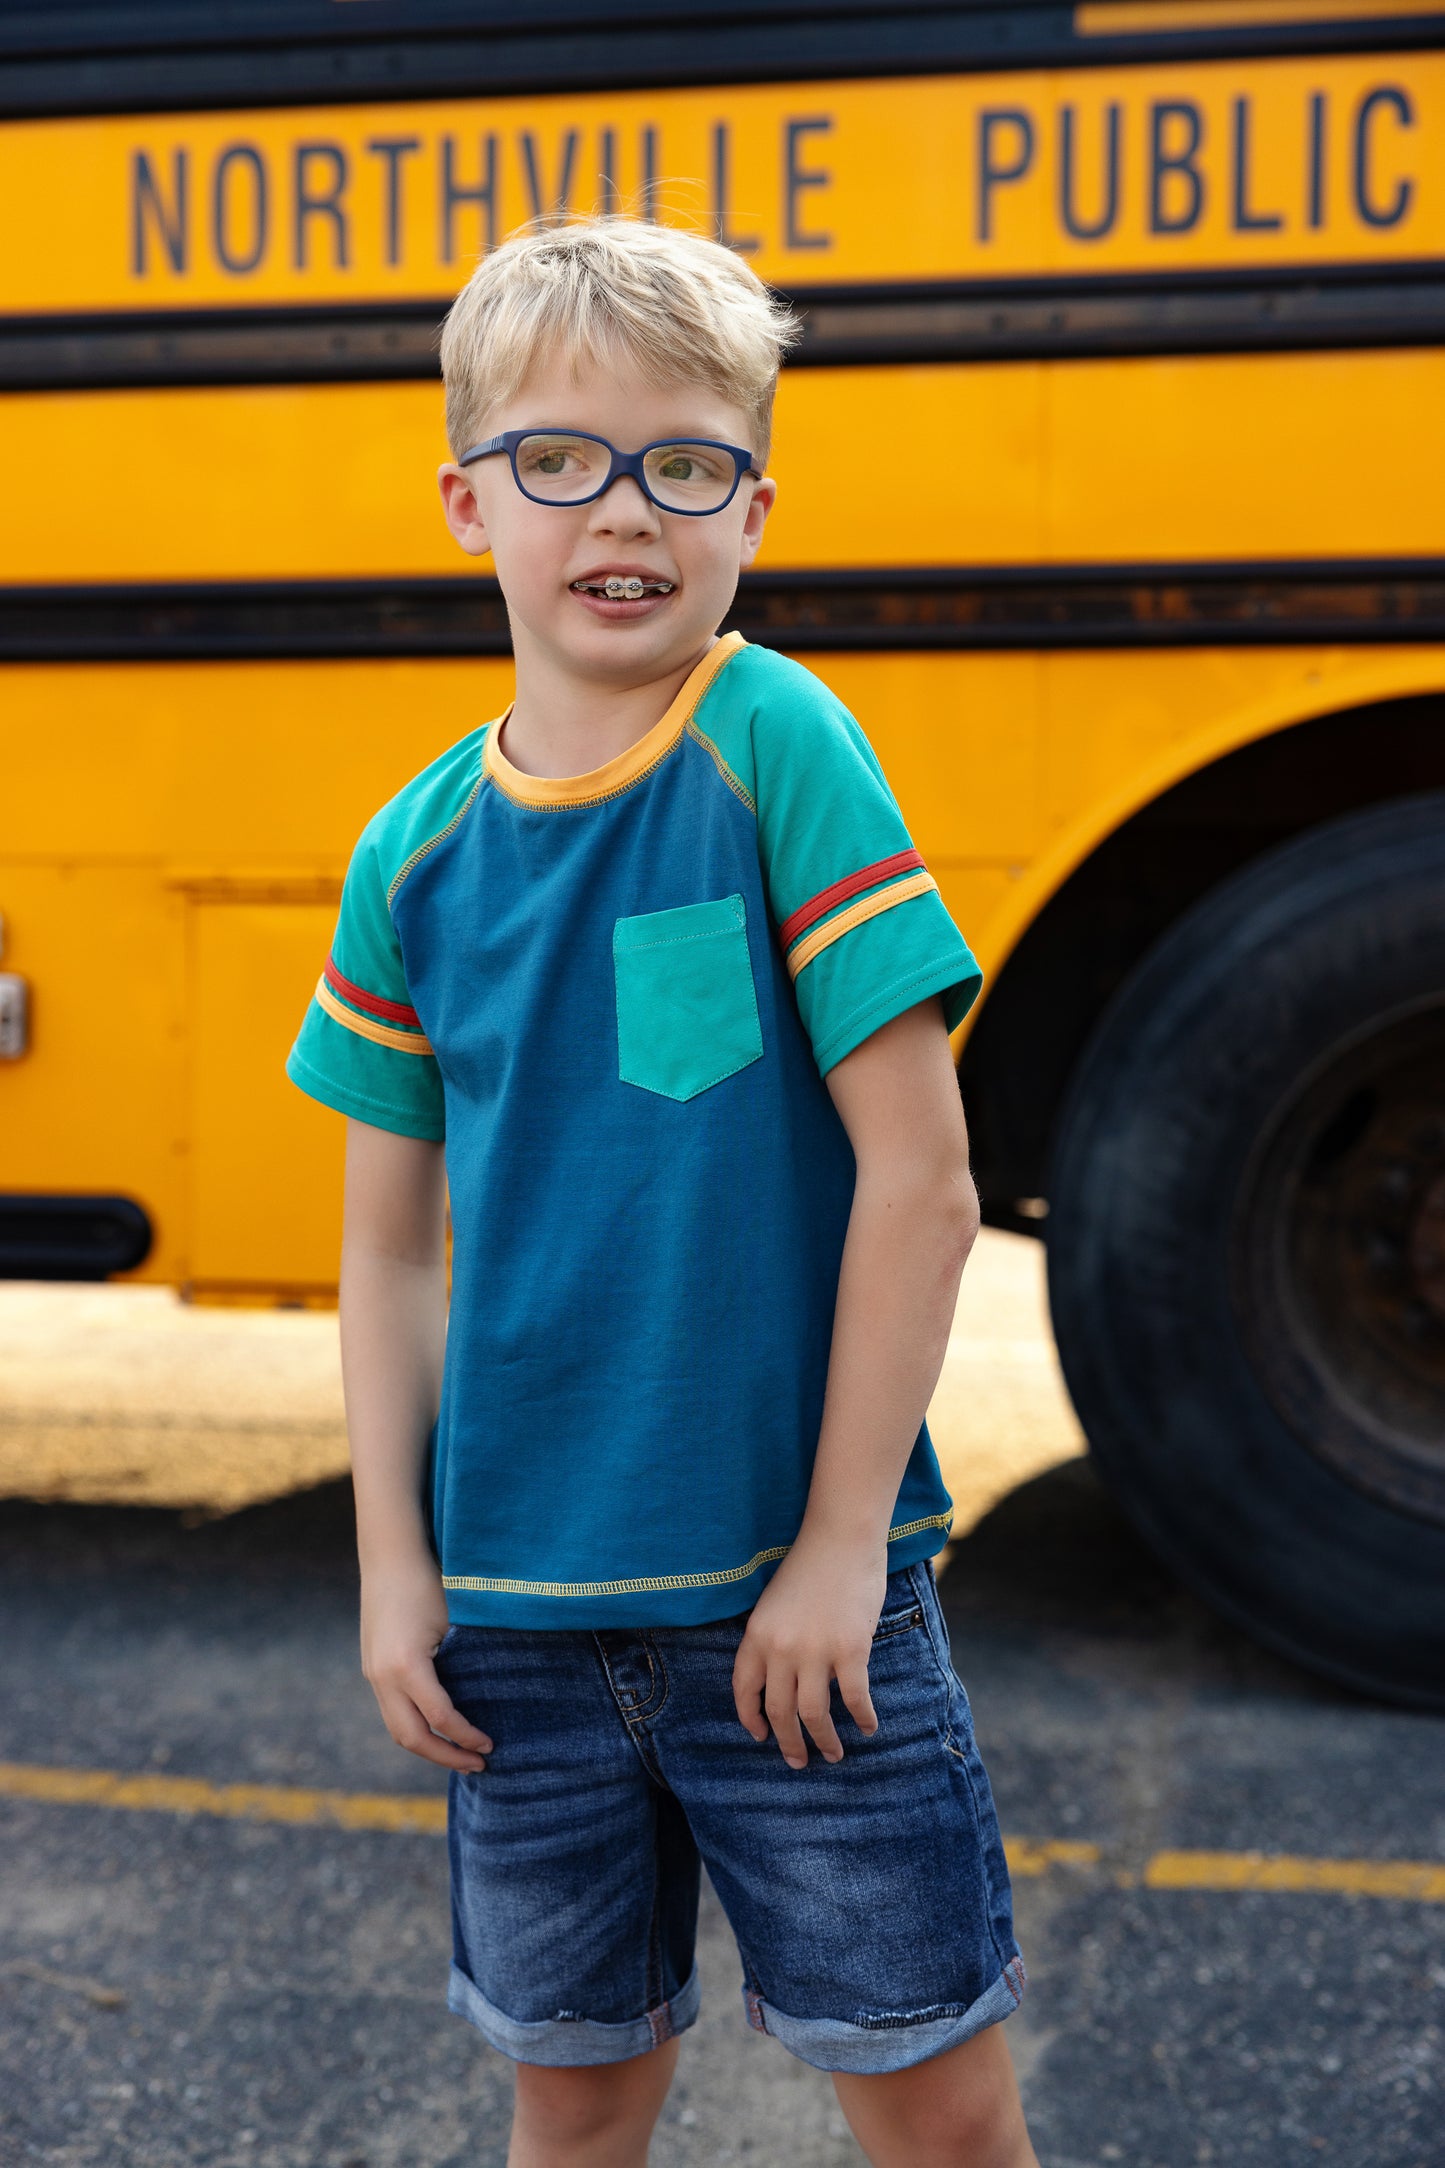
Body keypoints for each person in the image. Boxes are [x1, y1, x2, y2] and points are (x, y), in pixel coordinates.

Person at [287, 215, 1037, 2168]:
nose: (623, 510)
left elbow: (926, 1182)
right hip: (516, 1625)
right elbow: (384, 1247)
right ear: (466, 500)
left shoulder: (776, 742)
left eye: (682, 463)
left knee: (938, 2107)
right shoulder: (413, 853)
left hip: (796, 1607)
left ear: (754, 504)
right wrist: (393, 1563)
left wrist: (835, 1554)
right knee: (580, 2103)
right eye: (561, 457)